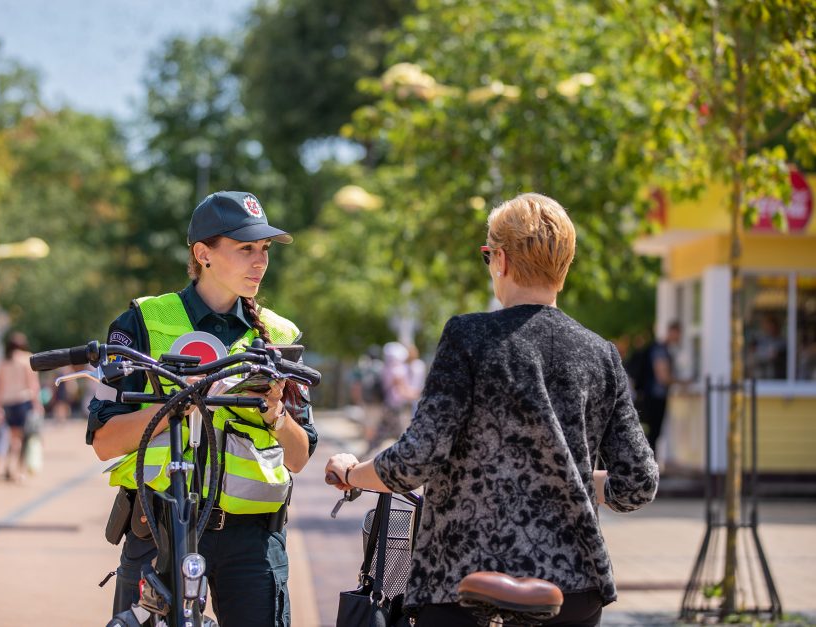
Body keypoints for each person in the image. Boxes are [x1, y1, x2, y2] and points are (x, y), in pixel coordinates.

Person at [326, 193, 659, 627]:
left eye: (487, 255)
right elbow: (638, 483)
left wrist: (351, 473)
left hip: (463, 582)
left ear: (499, 259)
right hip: (571, 587)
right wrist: (573, 478)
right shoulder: (600, 354)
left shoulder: (469, 337)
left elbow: (417, 458)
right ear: (564, 265)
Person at [87, 191, 317, 627]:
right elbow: (103, 442)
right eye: (245, 248)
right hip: (160, 525)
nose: (260, 262)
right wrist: (176, 406)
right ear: (202, 253)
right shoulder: (142, 321)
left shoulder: (280, 335)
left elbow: (300, 456)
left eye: (264, 250)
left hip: (252, 538)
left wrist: (274, 413)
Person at [0, 332, 44, 482]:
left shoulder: (3, 362)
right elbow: (32, 384)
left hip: (7, 401)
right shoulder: (27, 359)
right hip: (22, 400)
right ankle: (16, 469)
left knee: (11, 436)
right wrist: (37, 403)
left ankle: (5, 465)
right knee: (19, 438)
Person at [629, 321, 681, 453]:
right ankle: (650, 464)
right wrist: (682, 381)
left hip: (651, 395)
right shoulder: (660, 350)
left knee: (652, 432)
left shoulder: (661, 349)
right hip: (654, 396)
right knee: (653, 432)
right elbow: (662, 377)